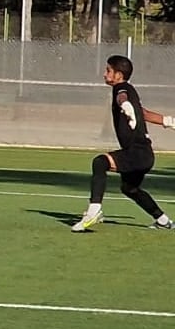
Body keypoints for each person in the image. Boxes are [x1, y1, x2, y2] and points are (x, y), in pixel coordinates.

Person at [72, 55, 175, 232]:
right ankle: (164, 221)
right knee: (129, 188)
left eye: (108, 70)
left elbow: (122, 96)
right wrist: (168, 121)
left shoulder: (121, 88)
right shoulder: (130, 89)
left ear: (118, 75)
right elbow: (143, 112)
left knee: (100, 162)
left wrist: (125, 104)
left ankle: (94, 211)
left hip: (136, 152)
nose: (105, 74)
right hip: (145, 155)